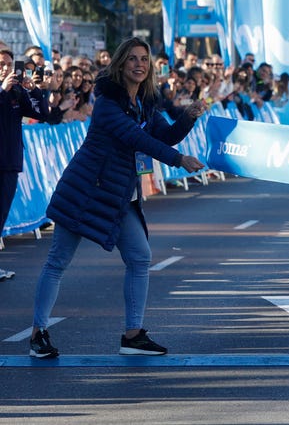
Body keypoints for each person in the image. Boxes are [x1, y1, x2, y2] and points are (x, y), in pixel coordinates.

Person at [28, 38, 207, 359]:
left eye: (144, 59)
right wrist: (179, 160)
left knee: (140, 257)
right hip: (84, 189)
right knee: (58, 262)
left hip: (118, 193)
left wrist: (189, 116)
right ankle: (38, 333)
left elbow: (163, 136)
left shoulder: (145, 103)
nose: (139, 64)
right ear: (121, 64)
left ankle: (133, 334)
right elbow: (136, 138)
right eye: (132, 59)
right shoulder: (108, 103)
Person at [0, 49, 49, 281]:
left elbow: (43, 114)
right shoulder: (4, 92)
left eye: (9, 65)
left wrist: (35, 90)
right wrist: (2, 90)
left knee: (1, 213)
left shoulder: (17, 92)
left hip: (9, 162)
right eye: (1, 64)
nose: (6, 69)